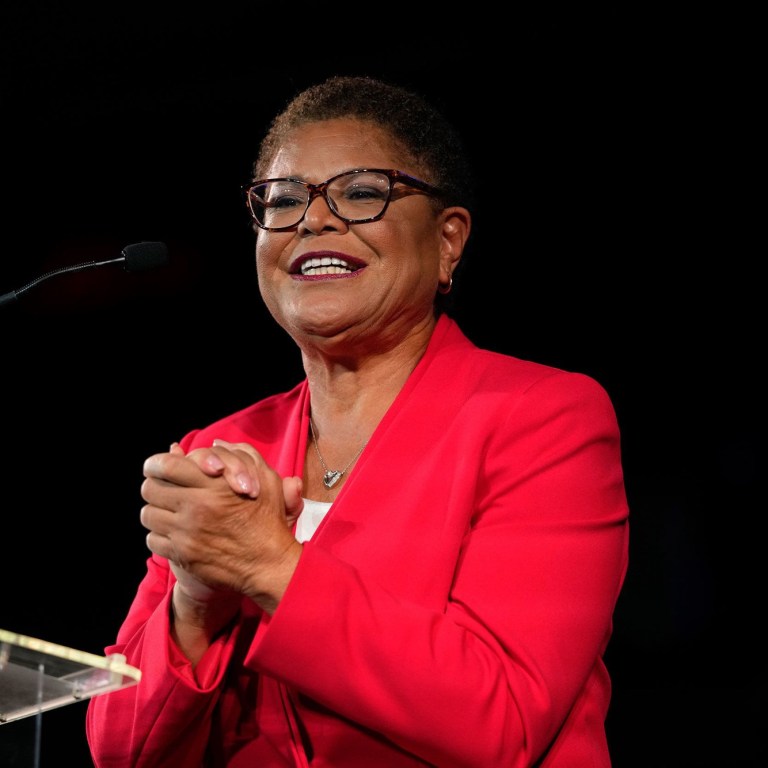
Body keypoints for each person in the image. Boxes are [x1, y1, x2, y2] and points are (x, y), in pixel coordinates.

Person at [86, 74, 630, 767]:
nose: (314, 219)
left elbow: (503, 720)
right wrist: (194, 602)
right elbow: (120, 751)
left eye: (363, 192)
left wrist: (268, 566)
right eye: (281, 202)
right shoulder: (220, 450)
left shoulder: (542, 419)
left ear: (448, 241)